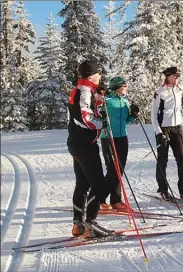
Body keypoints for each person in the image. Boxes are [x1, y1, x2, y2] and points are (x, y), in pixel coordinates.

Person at [67, 60, 114, 237]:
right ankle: (90, 224)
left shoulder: (83, 90)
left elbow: (85, 110)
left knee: (83, 183)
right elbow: (83, 117)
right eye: (98, 73)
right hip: (85, 145)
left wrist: (99, 101)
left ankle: (78, 224)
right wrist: (101, 124)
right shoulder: (84, 91)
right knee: (99, 184)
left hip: (77, 143)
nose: (100, 76)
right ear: (91, 75)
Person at [151, 66, 183, 203]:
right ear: (167, 76)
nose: (176, 78)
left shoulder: (179, 89)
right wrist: (158, 133)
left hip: (177, 127)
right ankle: (163, 190)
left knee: (182, 160)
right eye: (174, 76)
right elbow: (153, 115)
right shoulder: (160, 92)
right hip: (164, 128)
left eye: (178, 76)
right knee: (162, 160)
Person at [99, 76, 139, 212]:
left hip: (122, 138)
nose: (126, 88)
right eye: (124, 86)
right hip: (108, 137)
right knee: (112, 169)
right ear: (116, 88)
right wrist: (102, 114)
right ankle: (99, 199)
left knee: (119, 169)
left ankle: (116, 200)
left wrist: (133, 115)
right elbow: (98, 115)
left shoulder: (125, 102)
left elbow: (124, 121)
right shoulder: (107, 101)